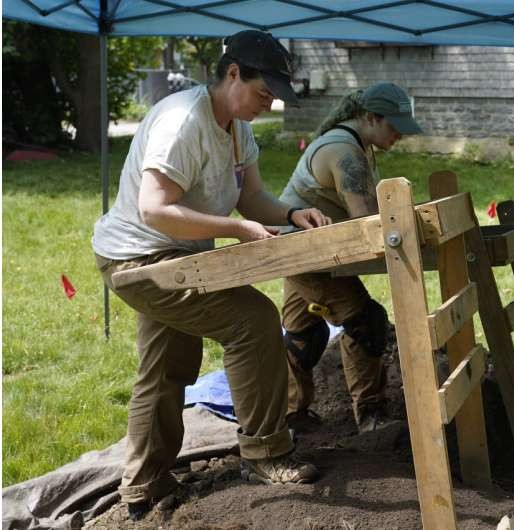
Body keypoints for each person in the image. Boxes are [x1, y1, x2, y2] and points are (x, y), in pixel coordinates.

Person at [91, 30, 330, 520]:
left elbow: (251, 198)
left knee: (167, 364)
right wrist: (236, 229)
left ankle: (142, 484)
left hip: (175, 257)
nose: (268, 105)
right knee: (253, 320)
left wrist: (289, 215)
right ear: (233, 73)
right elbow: (154, 209)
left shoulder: (237, 128)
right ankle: (266, 452)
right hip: (139, 260)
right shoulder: (183, 122)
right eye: (263, 93)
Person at [278, 82, 423, 434]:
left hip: (308, 248)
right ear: (371, 117)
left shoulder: (353, 144)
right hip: (303, 252)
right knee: (366, 322)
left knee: (302, 336)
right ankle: (371, 417)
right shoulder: (344, 152)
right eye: (394, 127)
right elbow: (366, 222)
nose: (400, 136)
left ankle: (289, 415)